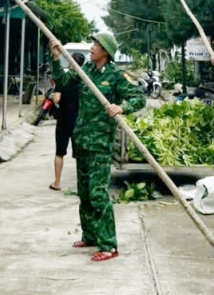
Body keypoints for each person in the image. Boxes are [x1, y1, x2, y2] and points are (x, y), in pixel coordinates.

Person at [49, 35, 146, 262]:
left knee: (98, 193)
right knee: (84, 193)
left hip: (100, 144)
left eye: (96, 46)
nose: (91, 49)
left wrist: (121, 107)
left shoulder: (115, 76)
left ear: (106, 51)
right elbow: (63, 81)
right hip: (81, 140)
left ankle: (108, 245)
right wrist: (56, 58)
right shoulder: (87, 71)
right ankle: (90, 235)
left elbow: (139, 98)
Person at [49, 52, 86, 191]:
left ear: (70, 62)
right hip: (79, 121)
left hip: (63, 119)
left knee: (60, 152)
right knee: (80, 156)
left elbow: (56, 99)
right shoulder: (84, 79)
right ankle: (80, 186)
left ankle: (57, 183)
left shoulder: (63, 79)